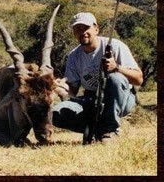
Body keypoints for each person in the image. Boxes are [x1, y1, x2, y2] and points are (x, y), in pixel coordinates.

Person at [53, 12, 143, 143]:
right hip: (91, 99)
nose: (82, 32)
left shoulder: (116, 46)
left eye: (86, 28)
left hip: (121, 98)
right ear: (74, 33)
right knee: (55, 114)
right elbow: (72, 88)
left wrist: (116, 67)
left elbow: (139, 79)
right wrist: (61, 87)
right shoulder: (73, 56)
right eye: (78, 29)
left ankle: (111, 130)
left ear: (96, 29)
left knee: (116, 79)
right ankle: (97, 129)